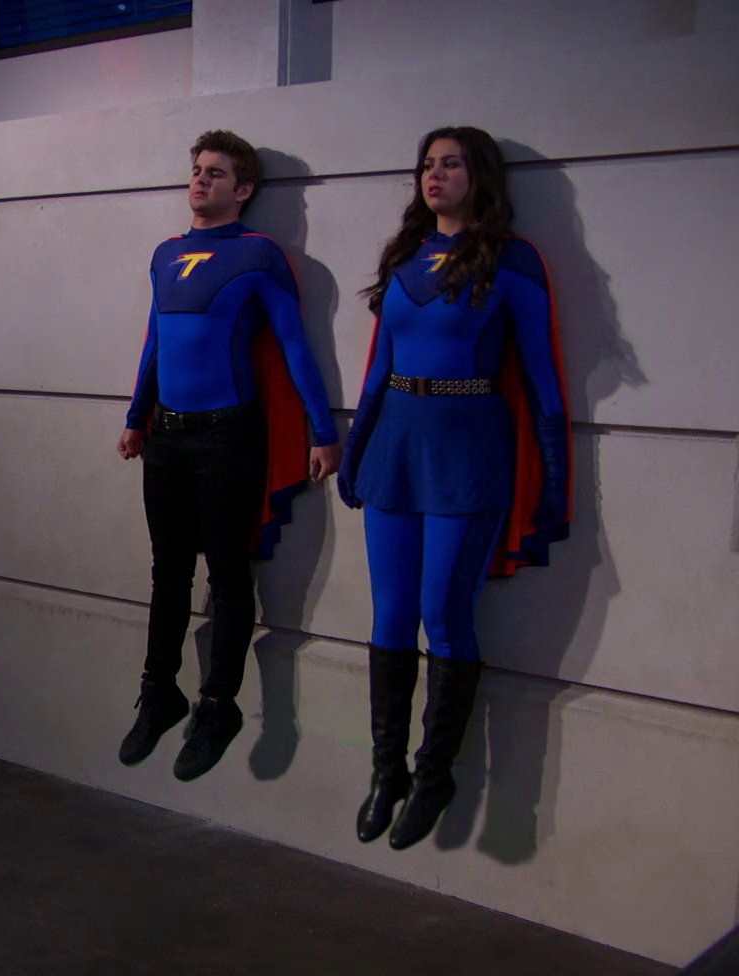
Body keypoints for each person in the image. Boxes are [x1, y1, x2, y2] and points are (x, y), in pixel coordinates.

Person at [337, 125, 571, 851]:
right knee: (390, 614)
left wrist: (557, 481)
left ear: (481, 176)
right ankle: (387, 772)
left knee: (443, 610)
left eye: (452, 164)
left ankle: (432, 773)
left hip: (469, 452)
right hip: (395, 450)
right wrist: (355, 451)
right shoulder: (405, 256)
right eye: (428, 165)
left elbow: (543, 382)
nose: (434, 175)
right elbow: (379, 369)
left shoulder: (511, 259)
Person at [115, 130, 343, 781]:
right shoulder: (166, 254)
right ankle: (159, 692)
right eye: (196, 169)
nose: (200, 179)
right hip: (167, 435)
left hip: (226, 437)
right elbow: (155, 343)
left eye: (215, 172)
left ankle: (219, 705)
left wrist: (323, 430)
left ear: (243, 189)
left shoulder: (258, 254)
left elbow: (295, 344)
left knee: (228, 574)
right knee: (167, 571)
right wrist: (136, 418)